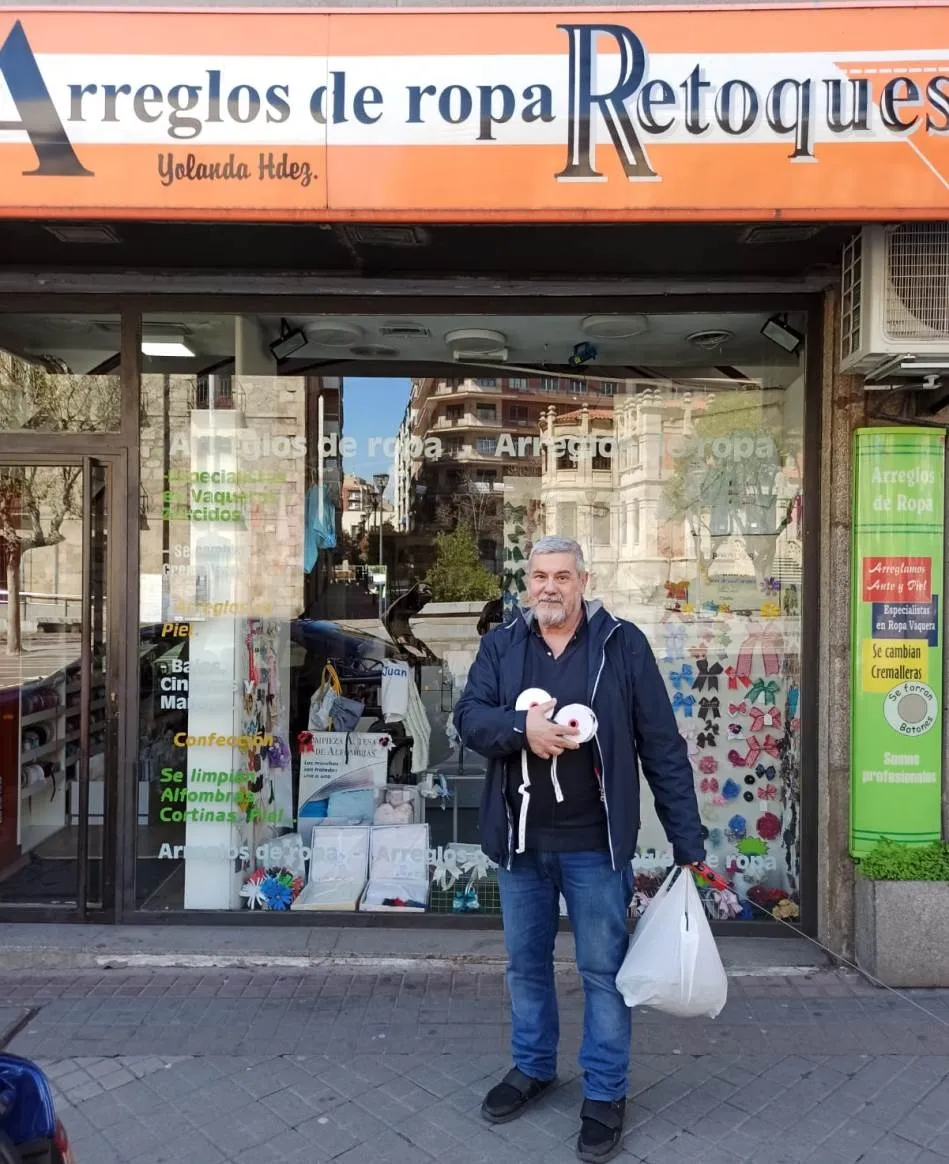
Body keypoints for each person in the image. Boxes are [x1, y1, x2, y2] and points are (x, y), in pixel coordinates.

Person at [453, 535, 705, 1163]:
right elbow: (469, 717)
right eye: (540, 576)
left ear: (583, 582)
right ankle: (533, 1067)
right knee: (525, 966)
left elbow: (661, 745)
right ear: (528, 584)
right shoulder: (503, 644)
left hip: (596, 846)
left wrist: (686, 836)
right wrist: (523, 728)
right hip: (522, 845)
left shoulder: (621, 645)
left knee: (604, 972)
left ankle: (605, 1091)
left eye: (562, 576)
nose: (550, 587)